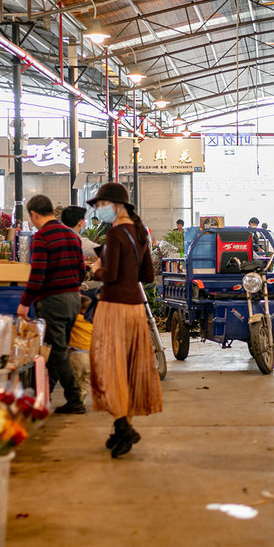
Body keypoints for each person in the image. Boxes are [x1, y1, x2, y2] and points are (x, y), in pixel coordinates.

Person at [87, 182, 162, 458]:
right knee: (127, 368)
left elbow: (111, 275)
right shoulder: (140, 233)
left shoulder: (117, 234)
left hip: (114, 308)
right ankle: (122, 428)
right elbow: (148, 276)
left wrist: (96, 269)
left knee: (109, 368)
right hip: (135, 309)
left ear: (117, 206)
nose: (98, 210)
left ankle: (123, 426)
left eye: (101, 205)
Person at [17, 195, 86, 415]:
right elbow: (82, 271)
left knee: (58, 351)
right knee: (57, 349)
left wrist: (24, 304)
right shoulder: (72, 235)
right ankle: (45, 394)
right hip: (73, 300)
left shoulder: (41, 238)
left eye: (32, 217)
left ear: (34, 214)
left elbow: (37, 275)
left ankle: (75, 400)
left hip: (53, 302)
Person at [69, 295, 94, 408]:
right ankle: (82, 397)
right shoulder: (92, 322)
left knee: (76, 379)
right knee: (85, 380)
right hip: (91, 357)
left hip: (77, 355)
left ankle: (76, 401)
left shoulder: (75, 319)